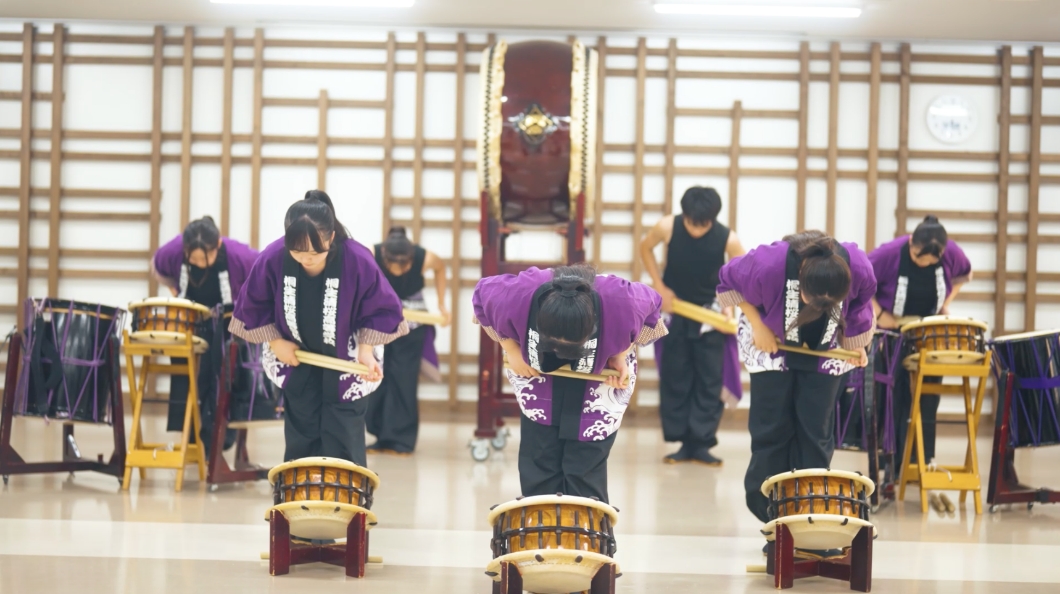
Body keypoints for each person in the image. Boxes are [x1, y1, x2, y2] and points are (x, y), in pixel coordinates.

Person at [716, 230, 876, 554]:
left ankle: (809, 525)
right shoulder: (769, 264)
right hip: (771, 339)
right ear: (801, 281)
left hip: (826, 347)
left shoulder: (859, 267)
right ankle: (776, 524)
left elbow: (860, 307)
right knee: (772, 430)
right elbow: (727, 280)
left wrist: (858, 345)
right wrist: (757, 323)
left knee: (815, 433)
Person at [229, 190, 407, 466]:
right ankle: (300, 501)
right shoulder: (274, 257)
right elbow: (253, 303)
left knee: (345, 438)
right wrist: (276, 342)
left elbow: (380, 307)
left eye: (315, 251)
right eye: (297, 251)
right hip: (297, 358)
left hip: (346, 360)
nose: (306, 258)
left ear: (331, 237)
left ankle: (348, 505)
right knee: (302, 434)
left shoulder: (356, 259)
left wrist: (366, 350)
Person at [472, 264, 666, 503]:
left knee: (584, 470)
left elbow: (653, 307)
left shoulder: (620, 300)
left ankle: (587, 535)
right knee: (539, 462)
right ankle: (542, 533)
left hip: (602, 372)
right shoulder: (520, 293)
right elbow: (481, 295)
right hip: (538, 370)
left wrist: (620, 354)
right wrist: (511, 348)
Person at [639, 186, 746, 466]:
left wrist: (728, 306)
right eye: (691, 223)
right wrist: (659, 285)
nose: (697, 230)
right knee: (676, 376)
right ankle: (682, 442)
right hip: (675, 311)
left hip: (709, 317)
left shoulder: (729, 239)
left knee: (710, 381)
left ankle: (701, 443)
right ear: (683, 215)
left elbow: (737, 275)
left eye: (703, 225)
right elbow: (645, 247)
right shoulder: (667, 226)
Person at [869, 215, 972, 465]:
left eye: (930, 262)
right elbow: (860, 281)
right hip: (893, 331)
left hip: (929, 333)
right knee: (894, 394)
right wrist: (880, 314)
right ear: (911, 242)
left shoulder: (952, 253)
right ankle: (891, 461)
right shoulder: (889, 253)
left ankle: (922, 460)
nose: (923, 264)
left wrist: (945, 303)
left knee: (928, 396)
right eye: (917, 258)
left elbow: (965, 275)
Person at [151, 216, 259, 454]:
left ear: (218, 245)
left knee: (224, 375)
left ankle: (220, 438)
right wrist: (172, 286)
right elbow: (157, 267)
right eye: (194, 258)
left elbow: (263, 273)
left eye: (205, 257)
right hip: (192, 321)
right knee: (190, 378)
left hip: (228, 323)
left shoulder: (239, 255)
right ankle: (190, 435)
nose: (199, 263)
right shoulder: (173, 251)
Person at [366, 227, 450, 455]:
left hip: (412, 327)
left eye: (406, 264)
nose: (401, 269)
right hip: (381, 323)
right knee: (377, 379)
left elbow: (441, 268)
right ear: (385, 254)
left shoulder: (425, 257)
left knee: (403, 380)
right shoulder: (372, 254)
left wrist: (442, 304)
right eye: (396, 264)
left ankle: (402, 441)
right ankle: (381, 438)